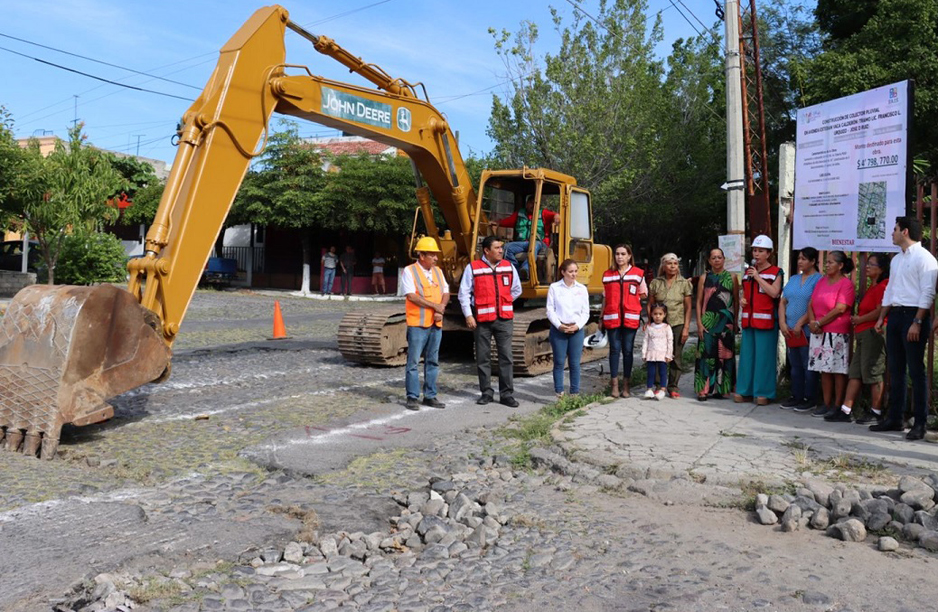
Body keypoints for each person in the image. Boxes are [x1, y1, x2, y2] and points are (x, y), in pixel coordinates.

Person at [872, 217, 938, 440]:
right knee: (896, 369)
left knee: (916, 370)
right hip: (896, 315)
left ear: (905, 231)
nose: (892, 233)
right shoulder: (897, 260)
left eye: (895, 229)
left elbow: (928, 293)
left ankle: (920, 423)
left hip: (914, 315)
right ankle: (895, 418)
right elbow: (890, 290)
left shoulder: (925, 258)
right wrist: (881, 317)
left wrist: (917, 322)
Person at [458, 236, 523, 407]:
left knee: (506, 357)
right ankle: (486, 392)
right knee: (483, 357)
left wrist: (504, 301)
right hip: (481, 320)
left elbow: (517, 289)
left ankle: (507, 394)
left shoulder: (508, 266)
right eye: (497, 248)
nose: (501, 250)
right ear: (486, 251)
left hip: (504, 319)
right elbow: (463, 294)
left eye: (501, 247)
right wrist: (468, 315)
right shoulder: (473, 268)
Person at [840, 253, 890, 424]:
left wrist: (860, 319)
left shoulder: (884, 286)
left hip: (872, 332)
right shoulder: (872, 287)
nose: (867, 267)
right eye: (867, 263)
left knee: (873, 371)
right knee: (855, 372)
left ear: (881, 269)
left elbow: (880, 310)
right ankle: (845, 410)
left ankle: (876, 411)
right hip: (862, 332)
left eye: (871, 264)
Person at [401, 237, 450, 410]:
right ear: (422, 256)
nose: (436, 258)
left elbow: (446, 291)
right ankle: (412, 397)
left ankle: (430, 395)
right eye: (432, 255)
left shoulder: (438, 272)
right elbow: (411, 296)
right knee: (413, 362)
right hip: (418, 324)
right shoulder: (409, 271)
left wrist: (441, 308)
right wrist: (435, 306)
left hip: (436, 324)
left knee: (433, 361)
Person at [806, 251, 855, 420]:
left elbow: (840, 308)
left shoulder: (846, 284)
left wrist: (820, 323)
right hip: (819, 331)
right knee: (824, 370)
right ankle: (826, 404)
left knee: (837, 371)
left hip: (837, 333)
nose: (827, 265)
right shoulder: (821, 281)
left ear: (841, 266)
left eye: (831, 262)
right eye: (826, 262)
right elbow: (811, 303)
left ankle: (837, 405)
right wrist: (813, 322)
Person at [735, 235, 783, 405]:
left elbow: (774, 293)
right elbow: (746, 293)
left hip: (767, 321)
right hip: (749, 321)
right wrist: (742, 300)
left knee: (764, 358)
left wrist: (758, 277)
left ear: (768, 253)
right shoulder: (748, 273)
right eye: (755, 250)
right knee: (747, 358)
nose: (756, 254)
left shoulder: (776, 272)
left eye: (761, 251)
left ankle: (763, 392)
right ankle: (744, 390)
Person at [778, 247, 822, 411]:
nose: (800, 261)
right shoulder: (794, 279)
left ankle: (809, 398)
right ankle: (795, 395)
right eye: (799, 258)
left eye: (804, 259)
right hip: (790, 330)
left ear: (812, 261)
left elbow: (814, 304)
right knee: (795, 365)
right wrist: (782, 323)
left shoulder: (818, 280)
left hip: (806, 331)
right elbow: (783, 301)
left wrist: (800, 323)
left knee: (808, 365)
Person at [601, 245, 647, 398]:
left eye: (623, 254)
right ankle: (614, 385)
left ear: (629, 256)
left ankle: (626, 385)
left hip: (630, 318)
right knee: (614, 350)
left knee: (628, 351)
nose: (619, 257)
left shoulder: (638, 274)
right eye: (617, 254)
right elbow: (605, 298)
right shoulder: (608, 275)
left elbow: (644, 293)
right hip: (612, 318)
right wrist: (601, 317)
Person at [695, 248, 739, 401]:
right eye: (713, 257)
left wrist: (735, 322)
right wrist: (699, 323)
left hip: (726, 322)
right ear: (709, 260)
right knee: (706, 354)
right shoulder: (704, 277)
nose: (716, 260)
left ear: (724, 259)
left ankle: (721, 389)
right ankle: (704, 389)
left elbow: (736, 302)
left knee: (724, 354)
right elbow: (699, 301)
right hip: (707, 322)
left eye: (719, 257)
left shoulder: (732, 277)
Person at [647, 253, 692, 398]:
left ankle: (673, 386)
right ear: (664, 266)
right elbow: (650, 303)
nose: (673, 266)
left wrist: (686, 328)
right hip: (659, 325)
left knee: (675, 356)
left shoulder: (684, 283)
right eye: (669, 263)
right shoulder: (656, 282)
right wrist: (650, 321)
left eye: (675, 264)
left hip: (677, 323)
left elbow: (688, 307)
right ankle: (660, 386)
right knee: (658, 355)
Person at [547, 259, 590, 397]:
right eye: (570, 272)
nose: (574, 274)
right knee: (559, 362)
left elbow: (585, 312)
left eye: (575, 271)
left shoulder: (582, 289)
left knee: (575, 363)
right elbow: (550, 310)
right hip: (559, 329)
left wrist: (577, 326)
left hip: (576, 329)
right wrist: (559, 325)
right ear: (563, 272)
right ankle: (559, 392)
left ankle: (574, 393)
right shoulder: (554, 287)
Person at [493, 195, 559, 276]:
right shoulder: (520, 214)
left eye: (535, 203)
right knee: (506, 247)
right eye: (531, 203)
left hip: (540, 244)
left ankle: (526, 269)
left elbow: (555, 215)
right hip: (523, 244)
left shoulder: (543, 213)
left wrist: (556, 217)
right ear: (527, 204)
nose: (533, 205)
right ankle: (515, 271)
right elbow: (507, 221)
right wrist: (497, 223)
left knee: (534, 245)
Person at [642, 304, 673, 400]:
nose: (658, 316)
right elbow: (645, 340)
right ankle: (649, 389)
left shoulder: (667, 327)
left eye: (660, 314)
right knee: (651, 372)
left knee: (662, 372)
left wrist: (669, 354)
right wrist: (644, 353)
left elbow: (670, 341)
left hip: (662, 354)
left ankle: (662, 389)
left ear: (664, 315)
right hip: (651, 354)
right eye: (655, 314)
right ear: (651, 314)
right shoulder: (649, 327)